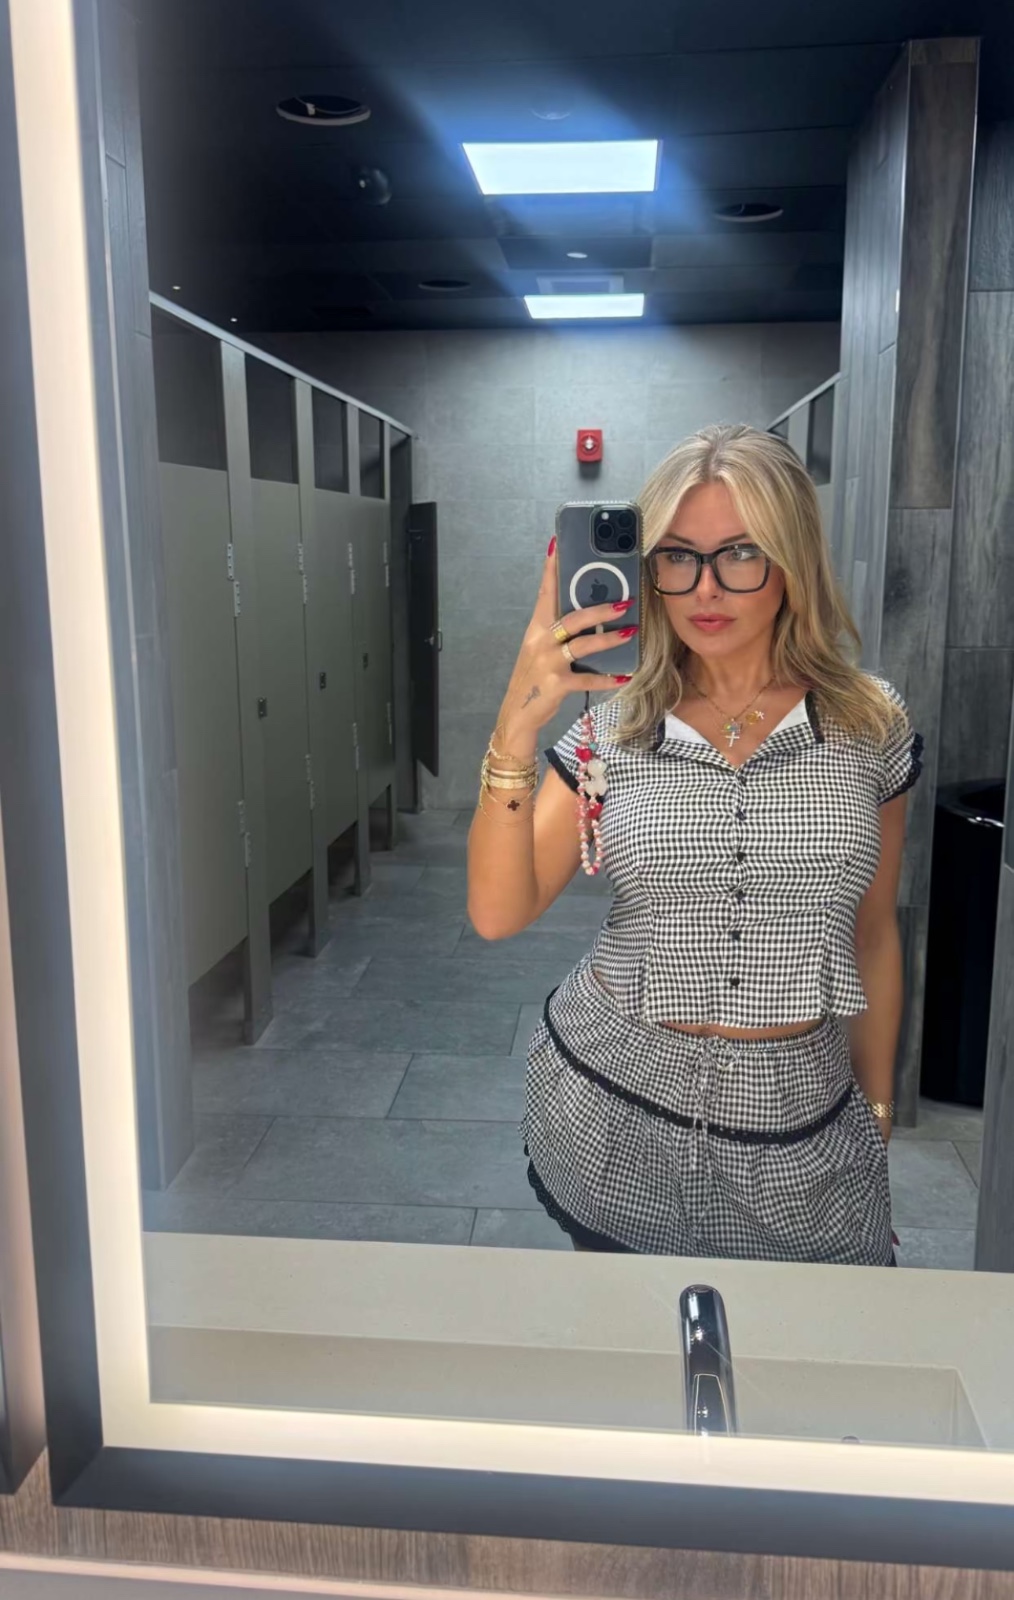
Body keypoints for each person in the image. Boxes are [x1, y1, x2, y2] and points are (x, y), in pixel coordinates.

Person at [466, 424, 922, 1265]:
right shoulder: (615, 728)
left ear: (792, 562)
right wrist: (517, 721)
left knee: (812, 1335)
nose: (706, 587)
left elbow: (872, 934)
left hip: (803, 1128)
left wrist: (879, 1106)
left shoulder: (870, 724)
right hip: (611, 1109)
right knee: (629, 1337)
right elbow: (499, 912)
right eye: (678, 556)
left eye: (741, 553)